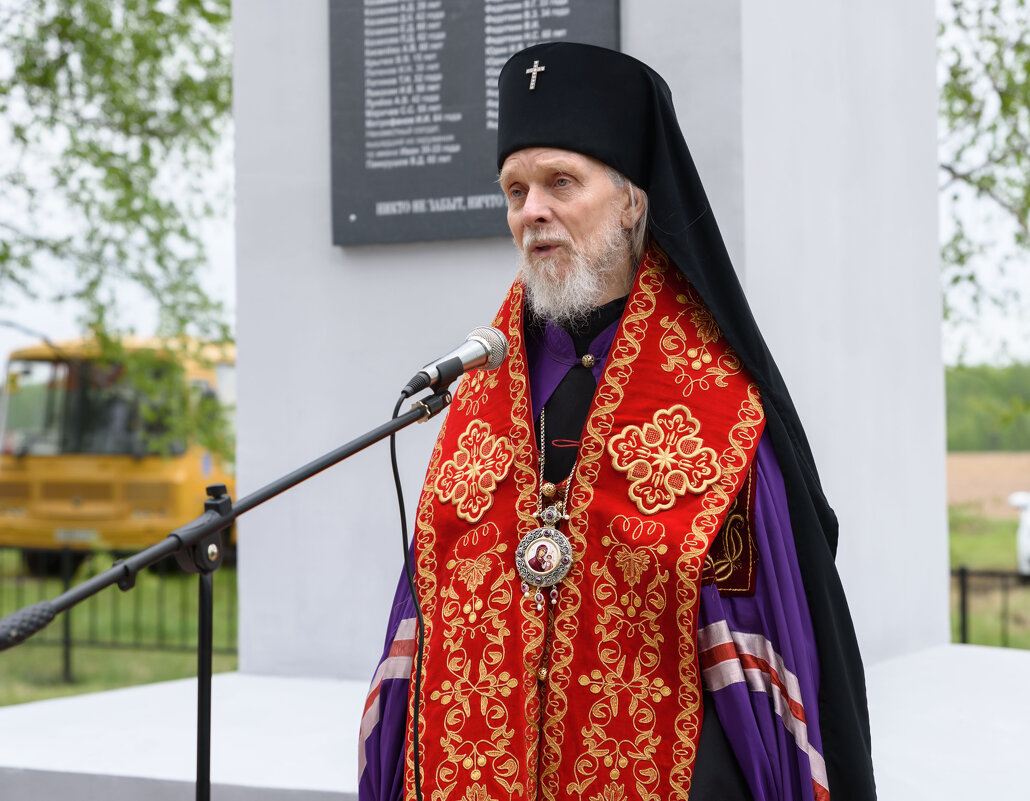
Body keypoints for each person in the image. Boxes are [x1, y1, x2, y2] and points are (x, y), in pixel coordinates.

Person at [359, 42, 875, 801]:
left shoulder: (720, 407)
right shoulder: (477, 387)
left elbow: (760, 633)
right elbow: (429, 605)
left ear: (632, 199)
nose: (531, 210)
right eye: (514, 189)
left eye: (560, 182)